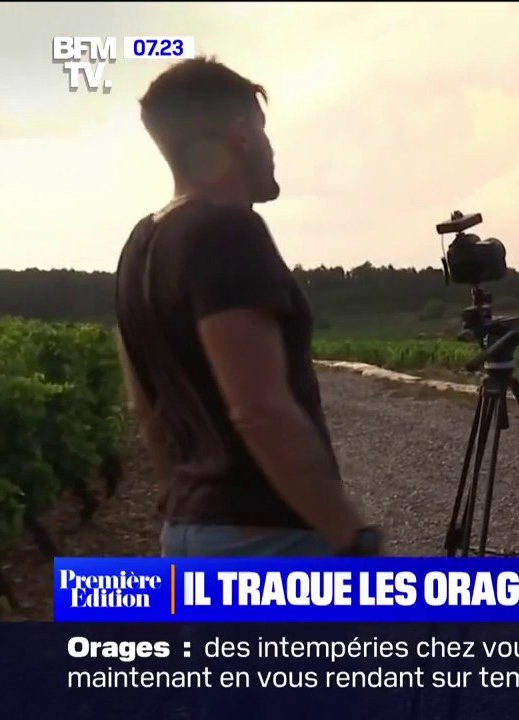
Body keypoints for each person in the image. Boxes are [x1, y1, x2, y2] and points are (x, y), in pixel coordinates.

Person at [114, 56, 381, 557]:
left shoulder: (142, 244)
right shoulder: (227, 231)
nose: (270, 148)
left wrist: (185, 503)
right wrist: (347, 532)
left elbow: (144, 405)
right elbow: (259, 410)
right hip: (266, 543)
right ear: (242, 135)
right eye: (263, 130)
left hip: (189, 534)